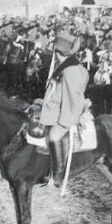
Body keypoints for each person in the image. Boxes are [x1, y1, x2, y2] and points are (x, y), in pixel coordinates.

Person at [39, 31, 89, 187]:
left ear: (58, 53)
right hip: (57, 108)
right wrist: (44, 102)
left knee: (54, 136)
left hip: (68, 113)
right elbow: (58, 91)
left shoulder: (71, 71)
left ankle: (58, 174)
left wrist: (64, 122)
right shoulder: (64, 66)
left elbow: (73, 99)